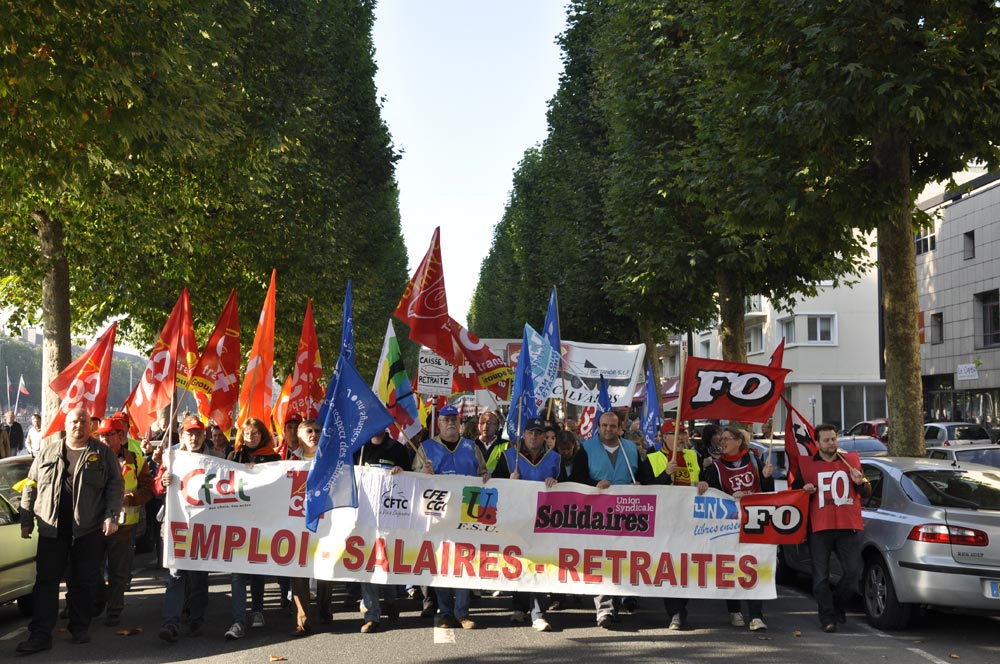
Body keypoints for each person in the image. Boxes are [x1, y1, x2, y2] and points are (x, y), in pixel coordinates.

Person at [16, 407, 123, 655]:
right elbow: (30, 486)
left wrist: (111, 516)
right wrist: (25, 519)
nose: (79, 425)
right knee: (45, 583)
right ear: (65, 424)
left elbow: (115, 487)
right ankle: (41, 634)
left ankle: (80, 627)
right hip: (51, 529)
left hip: (88, 530)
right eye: (74, 421)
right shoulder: (48, 451)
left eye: (84, 421)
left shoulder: (103, 454)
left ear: (91, 426)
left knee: (82, 581)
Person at [412, 404, 489, 630]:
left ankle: (462, 612)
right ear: (439, 423)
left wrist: (486, 476)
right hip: (438, 514)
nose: (450, 423)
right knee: (441, 563)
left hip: (466, 513)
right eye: (446, 419)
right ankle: (445, 611)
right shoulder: (425, 448)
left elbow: (483, 472)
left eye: (454, 419)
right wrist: (422, 473)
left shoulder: (470, 446)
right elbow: (413, 477)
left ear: (460, 422)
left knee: (465, 561)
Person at [793, 423, 871, 633]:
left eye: (834, 439)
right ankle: (827, 618)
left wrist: (860, 482)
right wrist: (804, 490)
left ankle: (836, 603)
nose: (831, 443)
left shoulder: (850, 462)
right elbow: (795, 494)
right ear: (817, 443)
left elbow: (865, 492)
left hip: (847, 526)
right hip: (819, 528)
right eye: (826, 440)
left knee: (854, 572)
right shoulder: (807, 465)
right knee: (820, 578)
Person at [697, 425, 773, 632]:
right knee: (731, 567)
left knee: (753, 566)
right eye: (721, 439)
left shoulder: (754, 462)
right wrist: (704, 485)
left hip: (754, 521)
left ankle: (756, 615)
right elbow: (712, 492)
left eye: (727, 438)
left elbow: (768, 492)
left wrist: (767, 477)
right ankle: (734, 610)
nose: (723, 442)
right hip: (728, 525)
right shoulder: (715, 467)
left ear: (739, 441)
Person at [492, 416, 559, 632]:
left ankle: (538, 613)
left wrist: (558, 484)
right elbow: (493, 485)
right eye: (530, 432)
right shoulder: (509, 457)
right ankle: (518, 606)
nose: (534, 436)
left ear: (543, 436)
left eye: (538, 433)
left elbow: (570, 485)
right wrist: (507, 482)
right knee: (519, 561)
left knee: (538, 564)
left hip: (544, 521)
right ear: (524, 434)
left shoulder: (554, 458)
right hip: (516, 519)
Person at [224, 417, 282, 640]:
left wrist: (258, 470)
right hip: (238, 522)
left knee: (256, 570)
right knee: (238, 574)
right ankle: (238, 621)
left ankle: (257, 610)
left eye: (255, 433)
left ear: (262, 435)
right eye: (247, 434)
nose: (250, 437)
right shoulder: (233, 456)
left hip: (261, 521)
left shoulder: (273, 457)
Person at [156, 416, 212, 642]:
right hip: (177, 526)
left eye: (198, 433)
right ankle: (171, 623)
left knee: (198, 576)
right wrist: (163, 481)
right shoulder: (171, 459)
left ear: (203, 436)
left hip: (203, 527)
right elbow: (156, 486)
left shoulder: (214, 461)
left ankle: (196, 618)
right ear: (182, 436)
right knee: (176, 574)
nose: (194, 437)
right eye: (189, 433)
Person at [640, 420, 700, 629]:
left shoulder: (693, 456)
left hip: (690, 521)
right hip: (664, 522)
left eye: (683, 434)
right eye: (675, 434)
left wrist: (704, 483)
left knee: (685, 567)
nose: (681, 438)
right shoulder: (652, 459)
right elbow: (645, 489)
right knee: (669, 566)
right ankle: (675, 612)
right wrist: (666, 474)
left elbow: (700, 481)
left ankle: (681, 608)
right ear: (663, 437)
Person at [95, 415, 153, 626]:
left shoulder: (136, 460)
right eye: (101, 436)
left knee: (118, 572)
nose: (104, 440)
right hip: (95, 525)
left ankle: (114, 611)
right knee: (92, 569)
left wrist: (131, 499)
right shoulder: (92, 459)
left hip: (124, 525)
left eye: (109, 435)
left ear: (120, 435)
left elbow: (148, 489)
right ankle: (99, 599)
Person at [583, 410, 639, 628]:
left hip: (628, 514)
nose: (608, 429)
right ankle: (604, 609)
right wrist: (593, 485)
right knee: (600, 560)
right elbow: (576, 477)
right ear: (598, 427)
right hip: (597, 514)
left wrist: (642, 485)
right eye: (604, 425)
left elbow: (641, 475)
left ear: (620, 428)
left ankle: (625, 596)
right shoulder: (586, 448)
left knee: (625, 557)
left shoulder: (632, 449)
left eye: (613, 426)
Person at [354, 429, 412, 632]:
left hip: (391, 514)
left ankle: (391, 599)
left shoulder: (397, 448)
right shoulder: (359, 448)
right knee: (367, 563)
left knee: (386, 561)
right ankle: (372, 614)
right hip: (365, 514)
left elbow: (414, 478)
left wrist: (402, 471)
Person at [285, 419, 336, 634]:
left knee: (325, 572)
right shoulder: (289, 461)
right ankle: (303, 620)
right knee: (298, 572)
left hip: (326, 524)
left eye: (317, 431)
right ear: (299, 435)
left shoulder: (331, 460)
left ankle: (324, 608)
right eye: (309, 431)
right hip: (298, 524)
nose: (314, 434)